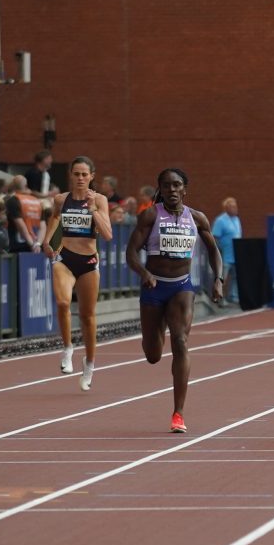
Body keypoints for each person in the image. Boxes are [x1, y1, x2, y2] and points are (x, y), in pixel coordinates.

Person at [126, 168, 225, 433]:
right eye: (167, 185)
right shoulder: (150, 216)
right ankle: (153, 335)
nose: (172, 190)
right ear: (160, 188)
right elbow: (131, 253)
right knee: (153, 354)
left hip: (181, 287)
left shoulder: (197, 218)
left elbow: (214, 250)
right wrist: (144, 273)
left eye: (177, 185)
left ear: (185, 189)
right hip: (154, 286)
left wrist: (219, 279)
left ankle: (178, 413)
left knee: (180, 340)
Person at [40, 156, 113, 389]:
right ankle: (67, 348)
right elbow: (54, 217)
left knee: (87, 316)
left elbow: (108, 234)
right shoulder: (61, 199)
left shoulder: (100, 200)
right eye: (76, 174)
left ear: (92, 176)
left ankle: (90, 364)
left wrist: (92, 210)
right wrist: (47, 240)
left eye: (85, 174)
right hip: (65, 257)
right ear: (70, 175)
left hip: (89, 261)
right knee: (62, 303)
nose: (80, 178)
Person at [211, 196, 242, 306]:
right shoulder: (220, 220)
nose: (235, 209)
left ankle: (233, 296)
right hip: (225, 255)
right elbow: (215, 237)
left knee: (235, 277)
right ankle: (220, 299)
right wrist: (218, 251)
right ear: (227, 208)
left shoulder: (237, 219)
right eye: (233, 207)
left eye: (235, 206)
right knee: (222, 278)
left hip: (236, 254)